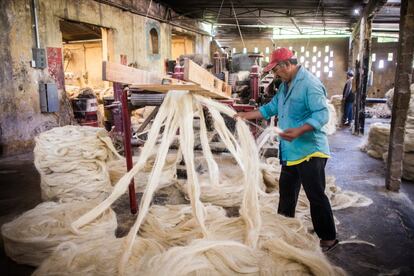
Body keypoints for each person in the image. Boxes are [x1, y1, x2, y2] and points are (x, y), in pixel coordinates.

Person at [235, 48, 338, 252]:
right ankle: (284, 228)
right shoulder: (285, 85)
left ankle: (328, 238)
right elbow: (271, 108)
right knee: (287, 192)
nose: (275, 75)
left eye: (277, 71)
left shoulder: (310, 84)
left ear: (287, 65)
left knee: (315, 194)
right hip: (291, 151)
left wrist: (300, 130)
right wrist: (244, 116)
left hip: (310, 151)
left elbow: (322, 115)